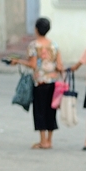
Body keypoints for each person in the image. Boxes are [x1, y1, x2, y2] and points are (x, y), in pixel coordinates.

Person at [17, 17, 62, 150]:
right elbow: (59, 65)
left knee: (40, 110)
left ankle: (43, 141)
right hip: (53, 81)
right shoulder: (54, 45)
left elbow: (32, 64)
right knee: (51, 110)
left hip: (40, 81)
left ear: (36, 29)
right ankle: (49, 140)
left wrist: (19, 62)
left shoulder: (34, 45)